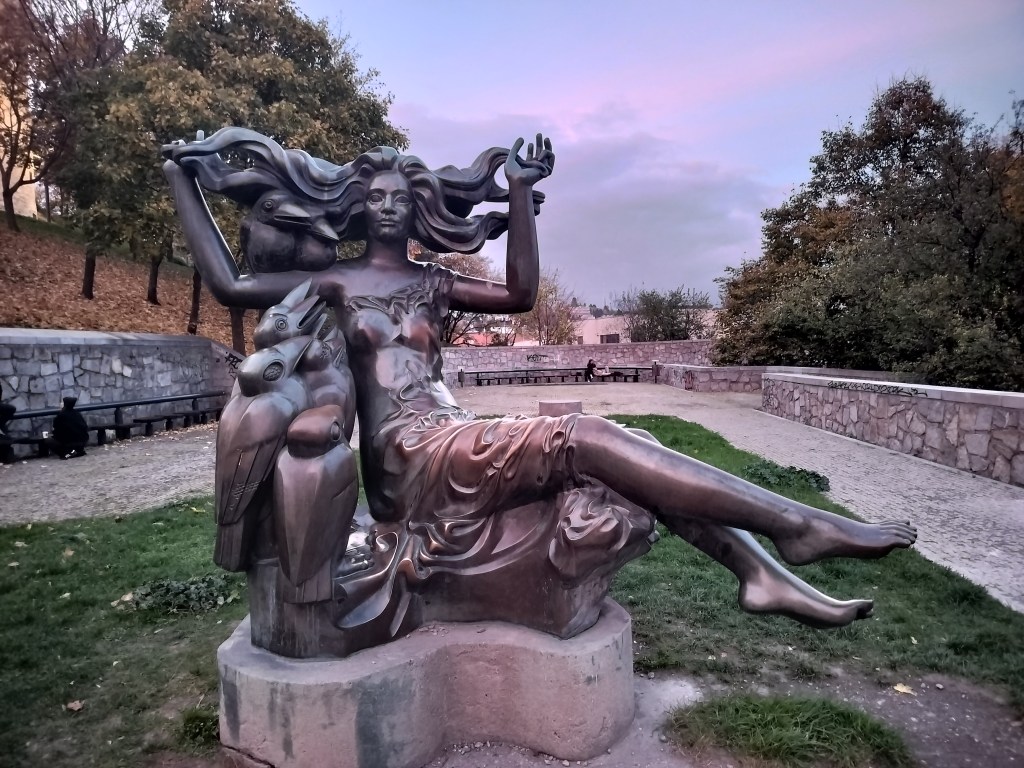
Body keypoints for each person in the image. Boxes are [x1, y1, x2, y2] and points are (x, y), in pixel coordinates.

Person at [163, 128, 916, 629]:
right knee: (583, 437)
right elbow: (231, 283)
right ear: (358, 206)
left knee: (633, 449)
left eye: (401, 198)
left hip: (455, 433)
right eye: (377, 197)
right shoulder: (335, 282)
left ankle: (758, 571)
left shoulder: (433, 282)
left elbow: (522, 293)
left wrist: (520, 196)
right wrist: (179, 181)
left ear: (419, 208)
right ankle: (797, 527)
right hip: (407, 459)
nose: (388, 208)